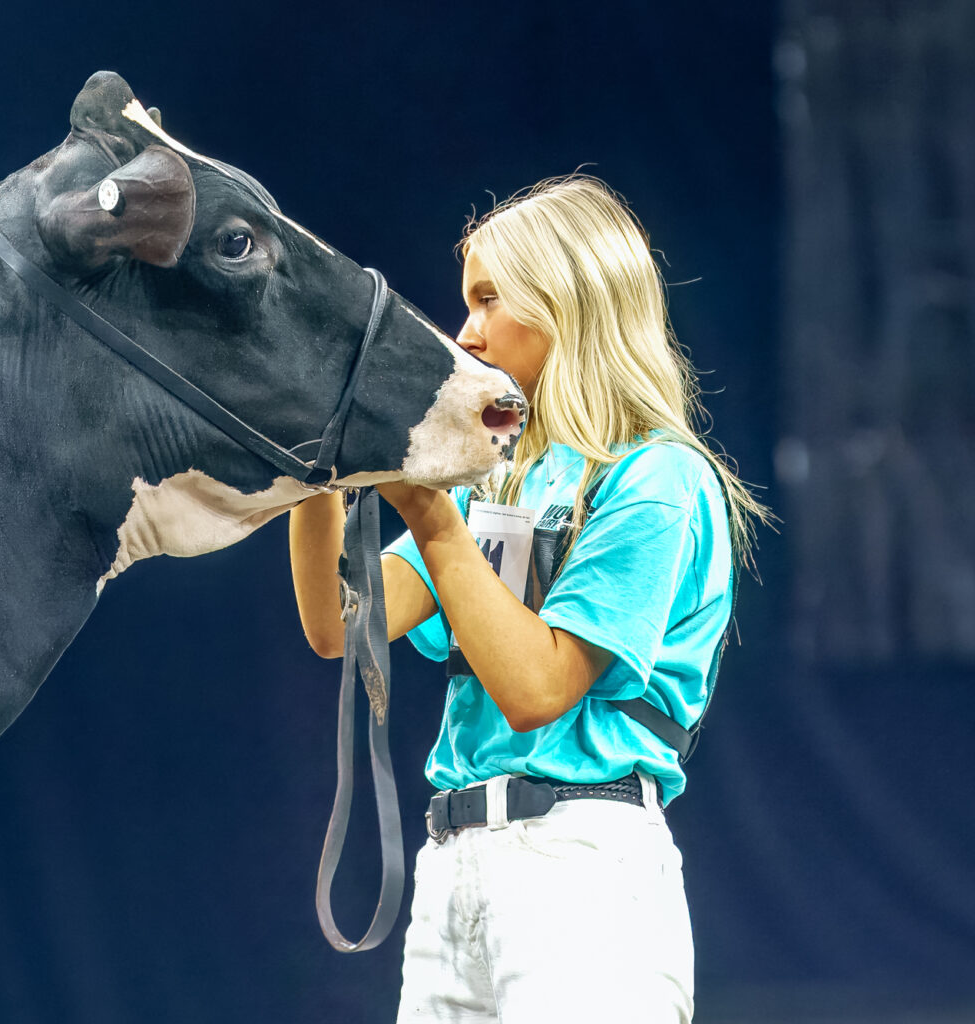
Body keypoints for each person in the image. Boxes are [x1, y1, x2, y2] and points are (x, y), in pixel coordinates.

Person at [289, 174, 769, 1023]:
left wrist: (431, 514)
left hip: (581, 867)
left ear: (568, 303)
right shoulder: (494, 485)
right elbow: (338, 625)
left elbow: (537, 690)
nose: (466, 331)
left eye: (488, 299)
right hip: (453, 868)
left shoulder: (657, 479)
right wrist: (317, 461)